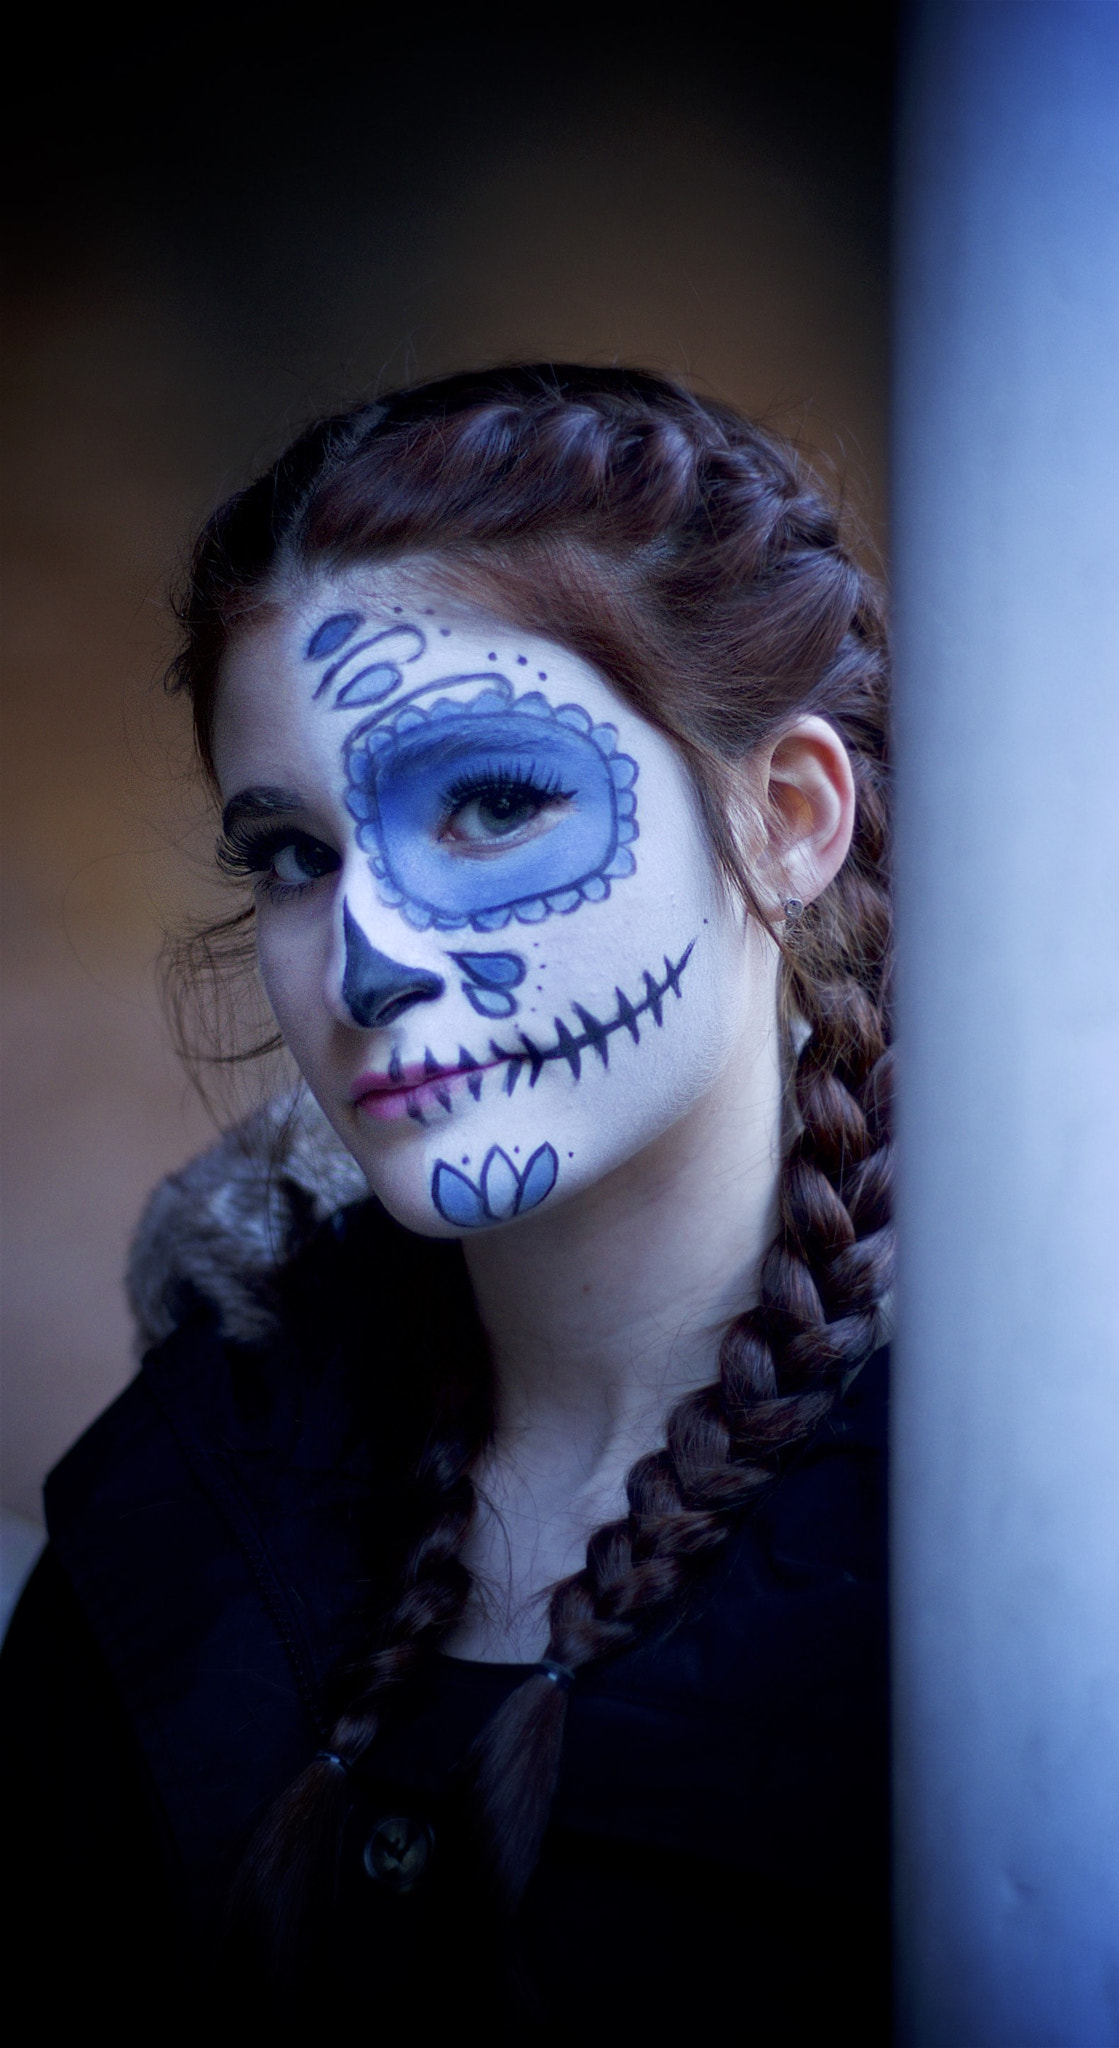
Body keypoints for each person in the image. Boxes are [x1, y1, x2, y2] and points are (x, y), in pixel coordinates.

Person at [0, 366, 893, 2040]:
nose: (366, 956)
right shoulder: (180, 1501)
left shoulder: (1047, 1543)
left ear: (784, 823)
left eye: (492, 803)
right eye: (291, 853)